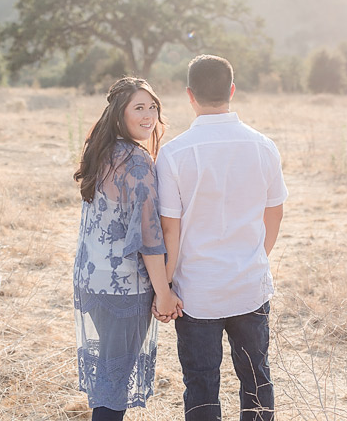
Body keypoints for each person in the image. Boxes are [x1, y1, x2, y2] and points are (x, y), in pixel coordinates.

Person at [155, 55, 287, 421]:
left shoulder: (173, 153)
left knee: (200, 383)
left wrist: (165, 286)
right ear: (232, 90)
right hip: (249, 283)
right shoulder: (264, 146)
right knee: (257, 379)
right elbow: (274, 212)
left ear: (189, 95)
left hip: (197, 290)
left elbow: (170, 228)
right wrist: (257, 257)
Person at [73, 77, 183, 421]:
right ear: (119, 113)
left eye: (153, 107)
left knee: (108, 376)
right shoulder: (136, 162)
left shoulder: (100, 149)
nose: (149, 115)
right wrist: (164, 292)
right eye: (139, 107)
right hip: (124, 288)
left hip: (91, 280)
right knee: (113, 387)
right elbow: (149, 236)